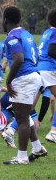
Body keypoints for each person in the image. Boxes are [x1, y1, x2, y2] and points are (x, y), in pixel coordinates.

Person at [2, 6, 47, 165]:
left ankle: (22, 157)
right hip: (33, 75)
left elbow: (19, 58)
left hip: (24, 77)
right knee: (24, 116)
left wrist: (8, 81)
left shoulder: (12, 36)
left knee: (21, 119)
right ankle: (37, 148)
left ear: (5, 20)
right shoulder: (27, 34)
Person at [36, 8, 56, 143]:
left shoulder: (47, 32)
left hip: (40, 67)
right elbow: (51, 50)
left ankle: (12, 128)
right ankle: (53, 131)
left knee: (32, 101)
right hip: (49, 69)